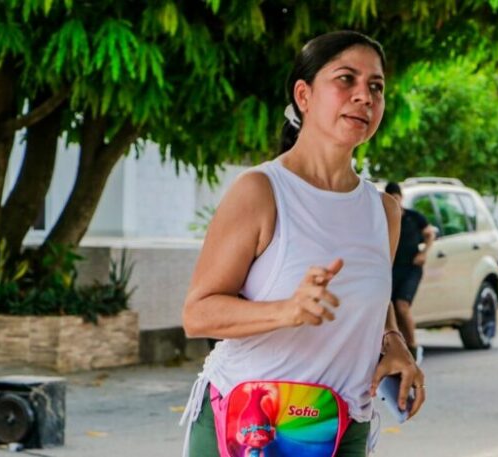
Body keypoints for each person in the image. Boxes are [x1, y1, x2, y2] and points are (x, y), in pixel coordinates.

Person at [179, 31, 425, 457]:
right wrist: (287, 310)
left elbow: (372, 301)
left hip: (344, 425)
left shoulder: (383, 210)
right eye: (346, 79)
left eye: (376, 87)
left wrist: (393, 343)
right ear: (304, 95)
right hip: (252, 423)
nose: (364, 96)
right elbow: (197, 313)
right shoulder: (261, 191)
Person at [384, 182, 435, 361]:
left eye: (396, 198)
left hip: (411, 269)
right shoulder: (384, 219)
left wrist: (424, 252)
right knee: (387, 308)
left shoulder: (414, 217)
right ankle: (396, 348)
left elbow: (430, 233)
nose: (394, 202)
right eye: (390, 198)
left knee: (401, 305)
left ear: (401, 197)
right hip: (390, 269)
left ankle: (413, 346)